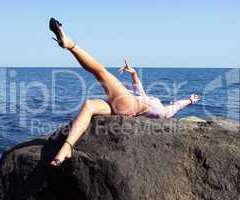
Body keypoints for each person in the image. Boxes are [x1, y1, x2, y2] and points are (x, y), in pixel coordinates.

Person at [49, 18, 200, 166]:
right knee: (89, 105)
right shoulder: (148, 100)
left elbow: (175, 106)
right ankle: (67, 147)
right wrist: (133, 73)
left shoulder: (163, 111)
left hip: (127, 105)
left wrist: (189, 101)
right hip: (120, 107)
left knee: (101, 72)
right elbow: (139, 89)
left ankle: (70, 45)